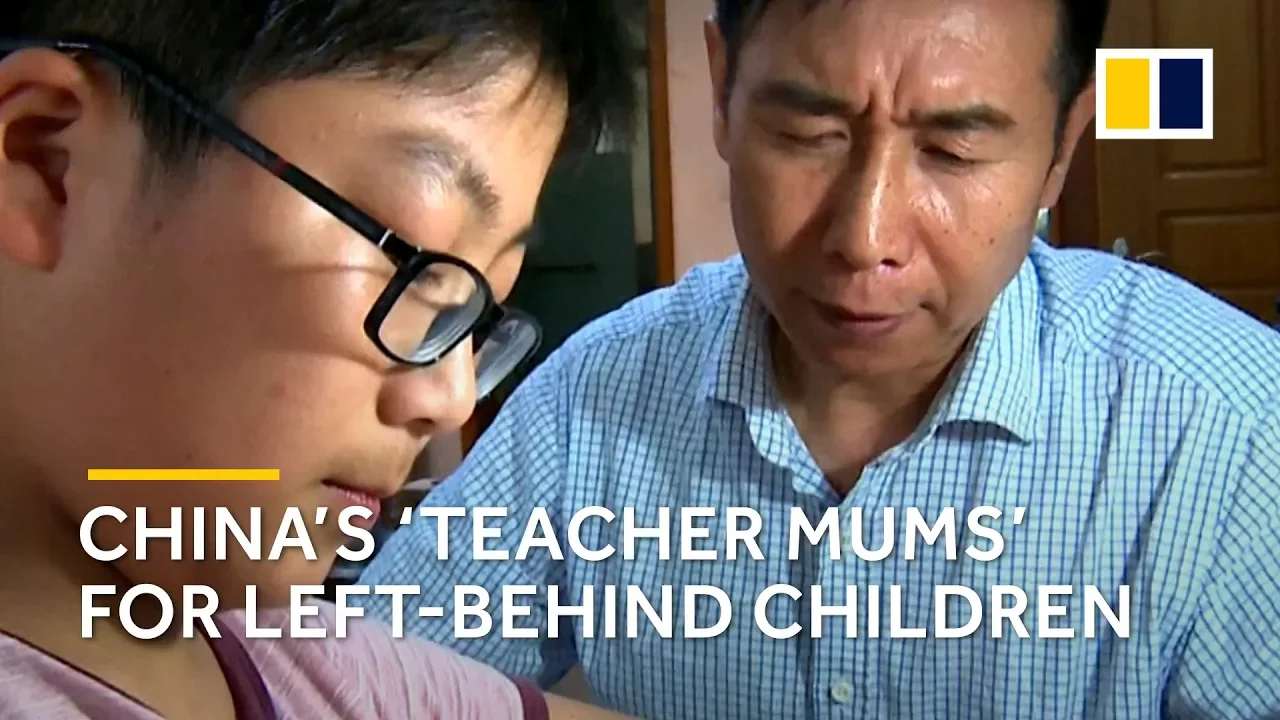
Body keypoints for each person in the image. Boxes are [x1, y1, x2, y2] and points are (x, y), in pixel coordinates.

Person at [358, 0, 1280, 717]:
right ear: (723, 92)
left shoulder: (1229, 433)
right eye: (809, 137)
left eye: (954, 151)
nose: (865, 239)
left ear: (1060, 148)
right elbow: (356, 679)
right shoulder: (589, 402)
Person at [0, 0, 640, 718]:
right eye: (411, 261)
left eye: (473, 310)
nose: (451, 397)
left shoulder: (285, 649)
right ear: (46, 162)